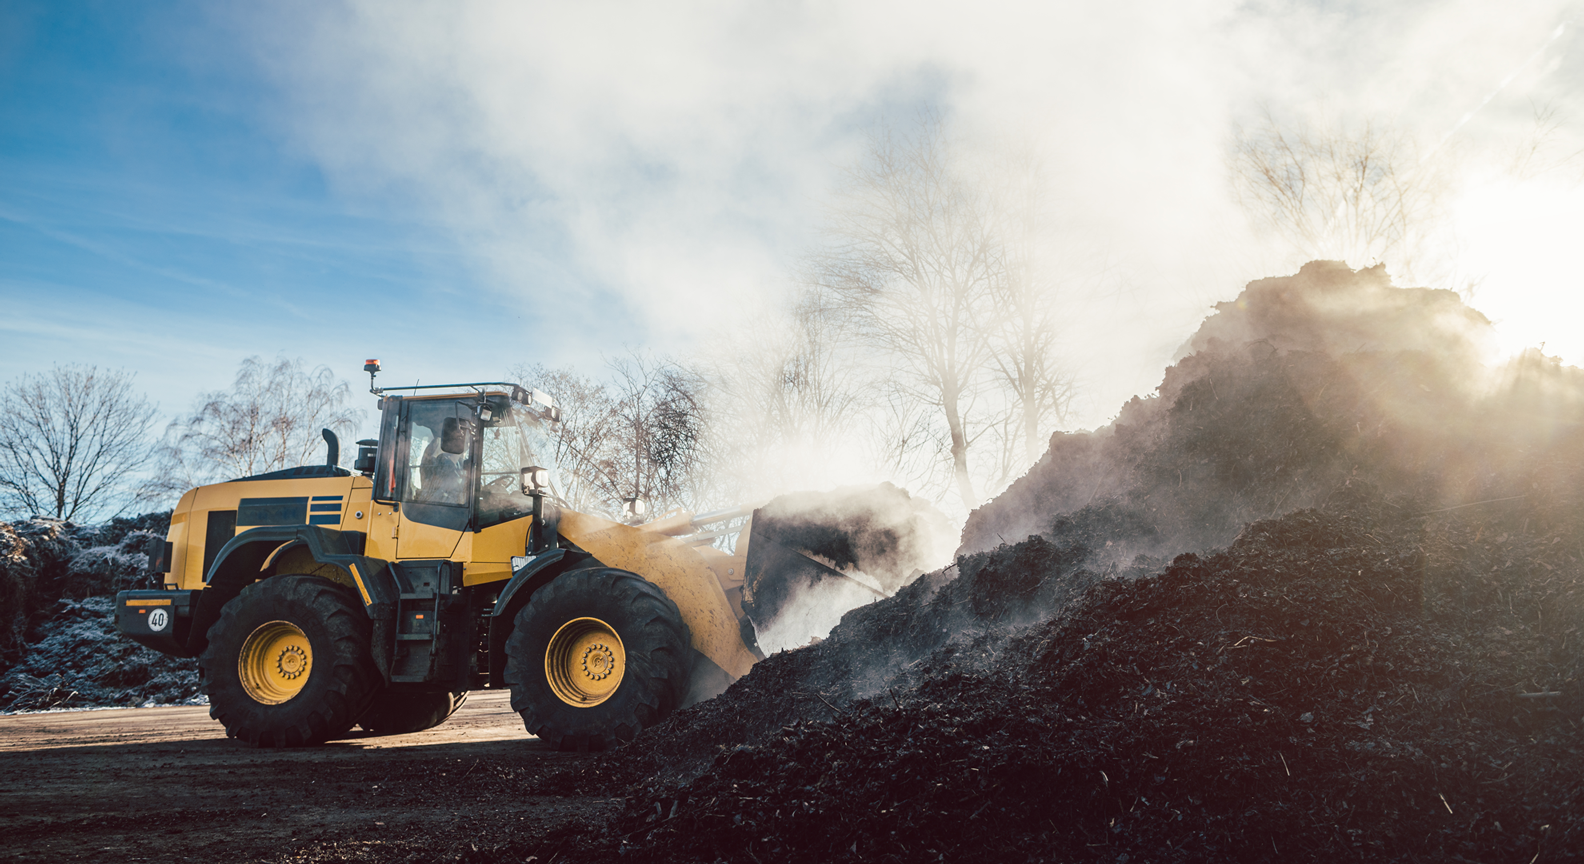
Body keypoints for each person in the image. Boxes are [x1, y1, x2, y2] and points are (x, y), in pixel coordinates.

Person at [419, 417, 471, 505]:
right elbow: (449, 487)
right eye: (466, 439)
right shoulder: (443, 463)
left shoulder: (460, 463)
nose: (469, 444)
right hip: (441, 506)